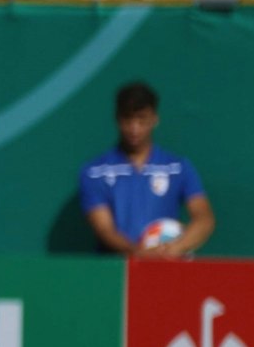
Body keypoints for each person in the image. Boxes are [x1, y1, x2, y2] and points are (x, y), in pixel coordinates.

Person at [79, 81, 215, 258]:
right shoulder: (95, 172)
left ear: (154, 119)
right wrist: (138, 253)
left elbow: (204, 219)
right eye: (128, 119)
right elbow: (104, 229)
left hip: (167, 269)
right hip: (117, 272)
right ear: (117, 118)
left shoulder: (177, 168)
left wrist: (178, 247)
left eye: (142, 119)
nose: (134, 128)